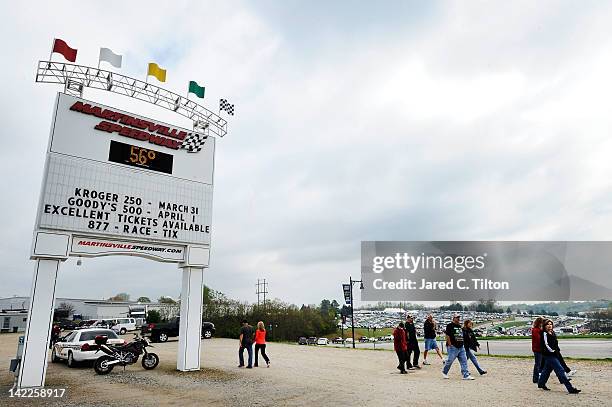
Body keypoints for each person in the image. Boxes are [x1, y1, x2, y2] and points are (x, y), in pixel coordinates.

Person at [537, 319, 581, 394]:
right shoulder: (544, 333)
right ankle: (570, 389)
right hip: (549, 355)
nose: (550, 325)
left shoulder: (552, 332)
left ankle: (541, 384)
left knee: (547, 370)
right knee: (560, 370)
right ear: (544, 326)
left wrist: (556, 351)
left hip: (555, 354)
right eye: (548, 324)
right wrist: (552, 351)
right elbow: (546, 344)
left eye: (551, 324)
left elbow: (555, 344)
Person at [442, 314, 474, 380]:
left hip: (461, 347)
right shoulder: (449, 325)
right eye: (457, 318)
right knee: (450, 360)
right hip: (453, 346)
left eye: (459, 317)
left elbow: (460, 335)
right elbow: (447, 335)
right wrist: (450, 344)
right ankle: (444, 372)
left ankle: (465, 375)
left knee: (464, 361)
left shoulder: (459, 326)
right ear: (453, 318)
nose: (458, 319)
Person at [531, 317, 543, 383]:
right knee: (538, 364)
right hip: (538, 349)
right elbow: (539, 340)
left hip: (537, 349)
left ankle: (538, 377)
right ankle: (536, 378)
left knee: (539, 364)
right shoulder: (536, 330)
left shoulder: (537, 329)